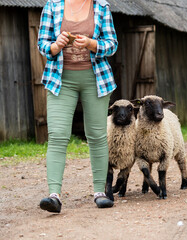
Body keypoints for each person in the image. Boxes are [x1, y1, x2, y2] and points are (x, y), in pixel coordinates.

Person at [37, 0, 118, 213]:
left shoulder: (101, 7)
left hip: (96, 79)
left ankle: (100, 192)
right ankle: (54, 195)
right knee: (57, 135)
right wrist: (56, 45)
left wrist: (92, 44)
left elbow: (112, 44)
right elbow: (42, 44)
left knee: (97, 135)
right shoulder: (52, 6)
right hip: (60, 80)